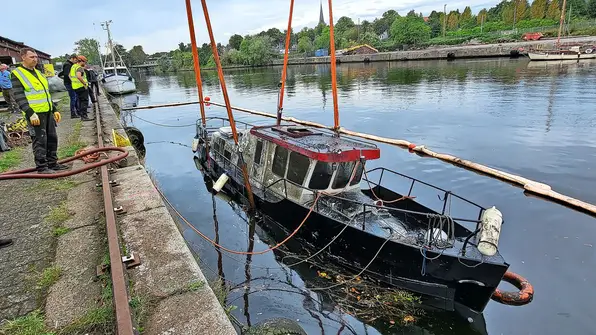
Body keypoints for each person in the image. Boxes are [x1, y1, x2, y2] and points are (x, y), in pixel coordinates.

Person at [11, 48, 68, 174]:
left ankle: (52, 163)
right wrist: (30, 113)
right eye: (32, 57)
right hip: (35, 114)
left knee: (52, 138)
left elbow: (46, 94)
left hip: (47, 111)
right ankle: (42, 167)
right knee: (40, 139)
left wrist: (54, 109)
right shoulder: (18, 74)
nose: (35, 59)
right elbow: (19, 96)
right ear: (23, 57)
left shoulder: (39, 73)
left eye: (36, 57)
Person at [69, 56, 92, 121]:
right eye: (85, 62)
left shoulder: (73, 66)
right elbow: (79, 76)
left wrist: (73, 81)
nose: (85, 63)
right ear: (81, 61)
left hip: (75, 87)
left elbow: (69, 75)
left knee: (80, 101)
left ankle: (82, 115)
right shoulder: (79, 68)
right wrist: (84, 84)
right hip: (81, 87)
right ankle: (84, 116)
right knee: (84, 101)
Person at [59, 54, 79, 118]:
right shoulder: (68, 65)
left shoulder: (70, 64)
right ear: (72, 58)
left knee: (75, 97)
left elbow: (61, 73)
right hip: (69, 83)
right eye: (75, 60)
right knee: (73, 98)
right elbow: (68, 74)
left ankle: (77, 111)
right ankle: (73, 113)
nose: (76, 61)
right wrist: (73, 81)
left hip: (70, 83)